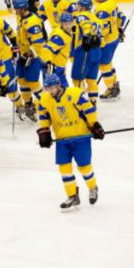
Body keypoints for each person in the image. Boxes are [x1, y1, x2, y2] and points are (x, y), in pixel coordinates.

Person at [37, 74, 104, 211]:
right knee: (64, 169)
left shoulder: (74, 93)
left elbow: (89, 108)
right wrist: (44, 131)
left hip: (81, 138)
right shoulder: (45, 99)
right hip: (62, 139)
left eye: (52, 88)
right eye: (47, 88)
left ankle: (92, 188)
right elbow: (43, 115)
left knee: (84, 167)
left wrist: (94, 125)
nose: (50, 91)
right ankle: (72, 196)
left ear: (58, 85)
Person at [14, 0, 47, 121]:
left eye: (17, 9)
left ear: (23, 8)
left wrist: (31, 54)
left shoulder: (32, 21)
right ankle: (28, 104)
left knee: (32, 82)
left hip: (32, 56)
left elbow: (38, 42)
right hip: (23, 55)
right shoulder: (21, 18)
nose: (16, 11)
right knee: (22, 80)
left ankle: (48, 103)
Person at [93, 0, 127, 101]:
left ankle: (111, 88)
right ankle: (114, 84)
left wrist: (98, 39)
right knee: (108, 62)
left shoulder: (102, 10)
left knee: (103, 65)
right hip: (115, 38)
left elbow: (104, 29)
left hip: (106, 42)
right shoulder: (111, 2)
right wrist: (119, 29)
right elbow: (122, 17)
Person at [71, 0, 103, 103]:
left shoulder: (82, 15)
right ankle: (92, 101)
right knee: (91, 79)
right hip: (97, 51)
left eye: (79, 5)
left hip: (84, 50)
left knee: (77, 78)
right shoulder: (96, 18)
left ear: (83, 7)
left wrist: (86, 37)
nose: (77, 7)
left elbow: (86, 25)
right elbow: (101, 38)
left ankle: (80, 102)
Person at [40, 12, 75, 88]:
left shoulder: (65, 32)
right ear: (61, 24)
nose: (68, 26)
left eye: (70, 23)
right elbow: (46, 49)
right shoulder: (59, 37)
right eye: (66, 24)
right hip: (54, 68)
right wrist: (49, 64)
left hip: (58, 67)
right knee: (61, 90)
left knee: (58, 90)